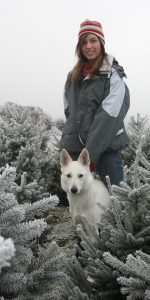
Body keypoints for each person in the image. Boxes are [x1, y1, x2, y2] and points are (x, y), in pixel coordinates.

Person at [59, 19, 130, 187]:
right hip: (77, 151)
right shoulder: (72, 77)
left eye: (93, 40)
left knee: (116, 199)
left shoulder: (113, 75)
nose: (88, 46)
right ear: (79, 47)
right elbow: (70, 113)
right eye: (84, 42)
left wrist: (89, 154)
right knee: (82, 206)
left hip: (106, 149)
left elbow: (109, 117)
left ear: (101, 43)